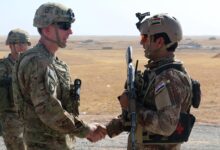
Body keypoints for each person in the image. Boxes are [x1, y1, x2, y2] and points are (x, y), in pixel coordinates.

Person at [92, 13, 195, 150]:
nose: (141, 42)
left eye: (145, 37)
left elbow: (165, 126)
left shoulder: (169, 77)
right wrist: (107, 129)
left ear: (159, 42)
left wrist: (131, 106)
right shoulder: (157, 73)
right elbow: (140, 116)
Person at [12, 2, 105, 150]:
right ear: (47, 29)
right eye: (64, 26)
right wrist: (86, 130)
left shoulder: (55, 62)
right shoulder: (37, 62)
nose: (70, 31)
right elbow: (49, 111)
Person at [0, 28, 31, 150]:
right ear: (11, 45)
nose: (24, 47)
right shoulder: (3, 66)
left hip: (29, 114)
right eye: (20, 43)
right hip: (10, 115)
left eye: (25, 44)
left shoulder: (29, 64)